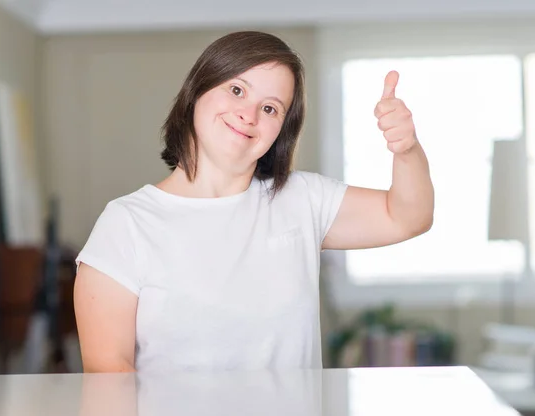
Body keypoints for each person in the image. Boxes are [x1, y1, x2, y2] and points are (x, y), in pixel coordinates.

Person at [73, 30, 434, 374]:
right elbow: (110, 374)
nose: (249, 114)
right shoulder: (126, 223)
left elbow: (407, 217)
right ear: (197, 91)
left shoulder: (303, 200)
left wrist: (406, 150)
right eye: (236, 89)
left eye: (270, 109)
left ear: (281, 131)